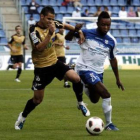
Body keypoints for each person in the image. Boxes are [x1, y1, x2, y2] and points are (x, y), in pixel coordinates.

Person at [14, 6, 88, 130]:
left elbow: (65, 25)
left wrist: (78, 31)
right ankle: (22, 117)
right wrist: (49, 33)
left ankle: (80, 103)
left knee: (75, 78)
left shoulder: (53, 23)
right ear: (41, 16)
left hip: (54, 62)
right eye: (48, 19)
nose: (50, 21)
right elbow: (39, 48)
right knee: (37, 100)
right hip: (41, 68)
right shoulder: (33, 30)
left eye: (52, 19)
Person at [65, 11, 125, 131]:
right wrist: (74, 30)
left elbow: (113, 60)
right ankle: (109, 124)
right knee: (106, 95)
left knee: (94, 99)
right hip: (84, 69)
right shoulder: (87, 32)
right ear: (97, 23)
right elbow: (67, 38)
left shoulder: (112, 41)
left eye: (108, 25)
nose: (106, 27)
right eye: (103, 24)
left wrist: (117, 79)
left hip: (98, 72)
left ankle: (81, 84)